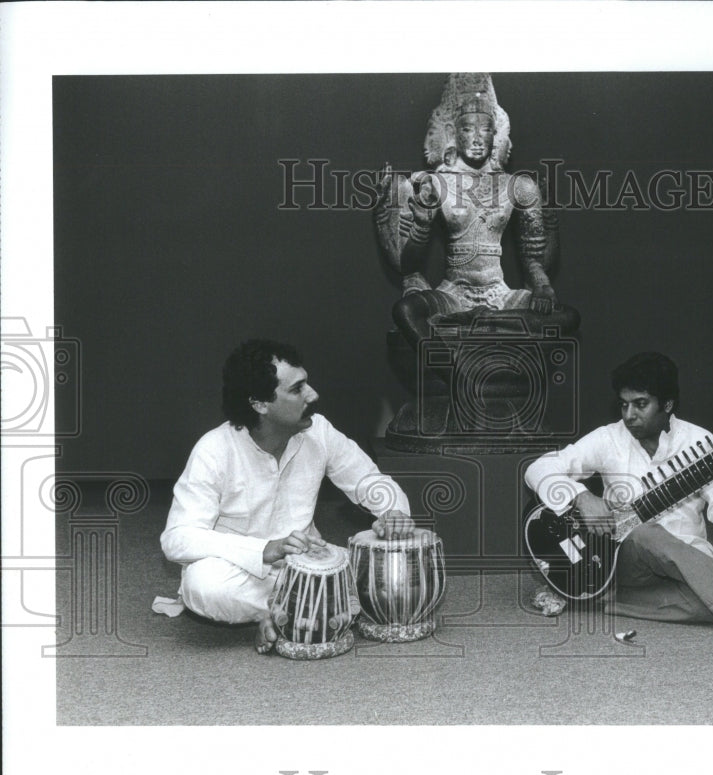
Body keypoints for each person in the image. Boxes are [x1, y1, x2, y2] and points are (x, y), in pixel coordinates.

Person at [158, 339, 415, 653]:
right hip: (242, 573)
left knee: (385, 569)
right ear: (260, 404)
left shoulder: (318, 432)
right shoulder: (214, 450)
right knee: (202, 585)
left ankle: (290, 613)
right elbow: (177, 539)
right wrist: (263, 549)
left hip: (307, 564)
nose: (313, 395)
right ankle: (296, 609)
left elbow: (370, 480)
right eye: (297, 389)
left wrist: (393, 512)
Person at [524, 351, 713, 632]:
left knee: (712, 606)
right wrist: (580, 497)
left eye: (640, 404)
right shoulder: (608, 438)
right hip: (624, 560)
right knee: (647, 532)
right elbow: (536, 469)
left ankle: (605, 599)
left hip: (688, 561)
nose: (629, 415)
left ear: (667, 404)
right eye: (624, 405)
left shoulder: (700, 442)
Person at [374, 73, 579, 347]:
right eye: (467, 129)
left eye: (485, 129)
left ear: (496, 135)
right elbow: (409, 265)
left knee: (568, 316)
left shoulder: (518, 186)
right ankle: (480, 328)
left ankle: (478, 321)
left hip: (501, 294)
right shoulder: (435, 183)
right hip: (453, 294)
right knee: (406, 311)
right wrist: (421, 225)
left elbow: (534, 256)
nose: (477, 138)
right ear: (452, 134)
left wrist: (542, 285)